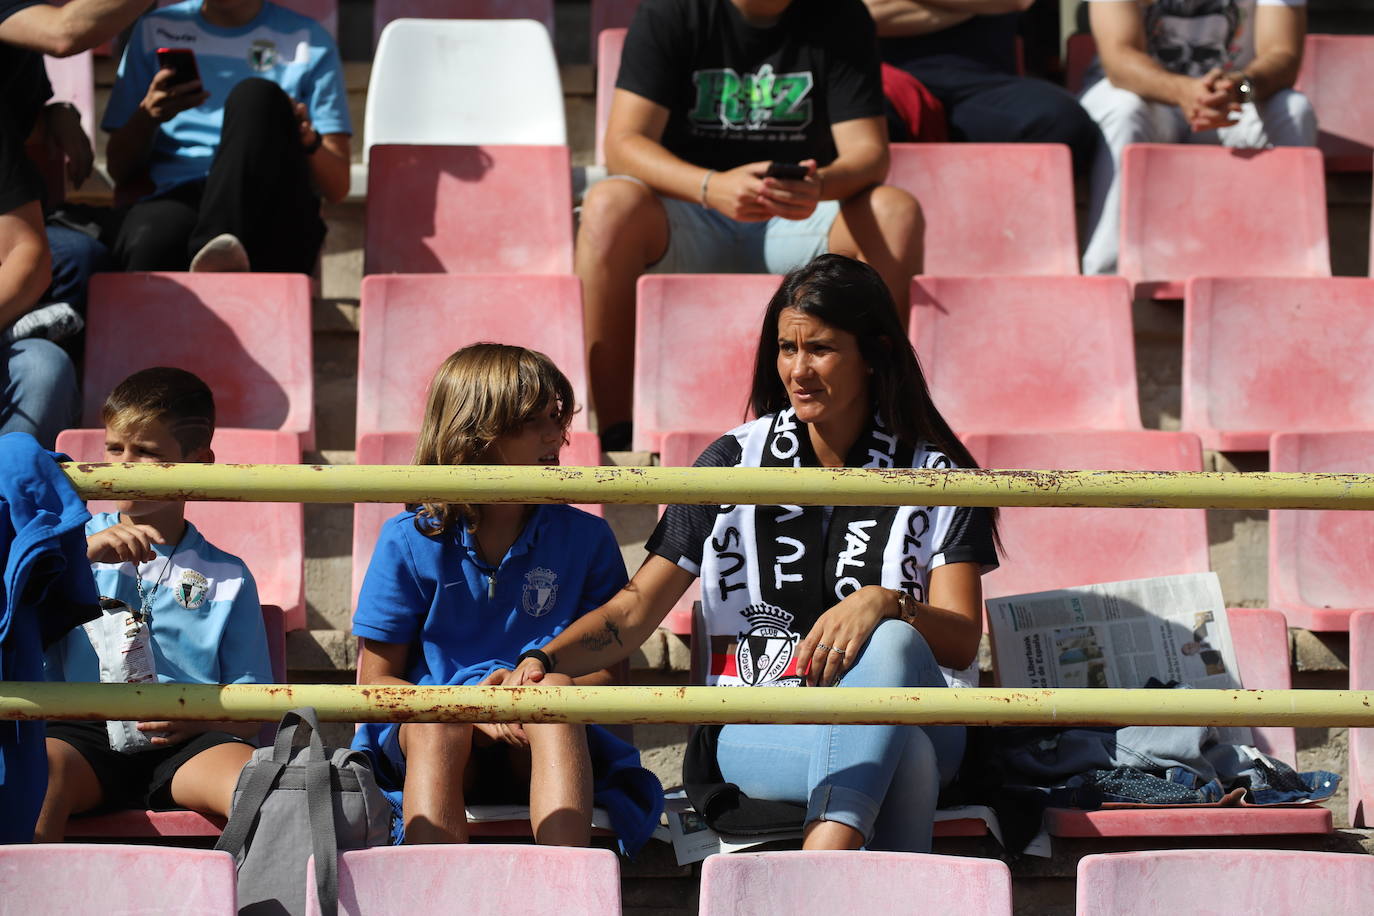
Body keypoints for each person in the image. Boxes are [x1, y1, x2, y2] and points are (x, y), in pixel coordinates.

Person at [513, 254, 999, 853]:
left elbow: (956, 638)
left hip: (924, 715)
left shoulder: (940, 472)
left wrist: (886, 604)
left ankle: (817, 875)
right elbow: (634, 612)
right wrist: (542, 655)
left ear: (873, 353)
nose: (799, 370)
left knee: (897, 649)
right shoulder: (731, 461)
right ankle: (830, 877)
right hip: (763, 727)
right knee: (909, 761)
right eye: (786, 349)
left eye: (820, 349)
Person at [351, 344, 662, 850]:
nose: (555, 437)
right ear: (474, 435)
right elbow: (376, 684)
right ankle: (433, 893)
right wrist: (473, 706)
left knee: (552, 695)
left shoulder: (587, 538)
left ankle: (567, 898)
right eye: (532, 422)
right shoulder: (407, 539)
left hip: (543, 740)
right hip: (436, 743)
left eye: (557, 419)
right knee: (437, 719)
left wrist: (528, 689)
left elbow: (608, 676)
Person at [580, 0, 924, 451]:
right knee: (608, 205)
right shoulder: (670, 12)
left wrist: (818, 185)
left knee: (894, 212)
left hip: (798, 217)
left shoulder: (841, 14)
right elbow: (623, 144)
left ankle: (878, 424)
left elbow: (869, 154)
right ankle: (616, 436)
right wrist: (710, 186)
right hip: (687, 211)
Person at [36, 367, 272, 841]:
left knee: (264, 787)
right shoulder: (64, 547)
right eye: (114, 449)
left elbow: (254, 704)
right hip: (81, 734)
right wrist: (81, 556)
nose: (124, 466)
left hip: (188, 741)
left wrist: (195, 717)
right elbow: (20, 621)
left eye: (145, 453)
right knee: (39, 779)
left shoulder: (229, 575)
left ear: (198, 464)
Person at [102, 0, 352, 272]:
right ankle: (215, 253)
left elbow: (337, 187)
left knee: (256, 96)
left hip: (271, 207)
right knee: (151, 240)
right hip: (178, 196)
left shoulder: (309, 41)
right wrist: (148, 117)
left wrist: (307, 138)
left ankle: (216, 249)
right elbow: (120, 169)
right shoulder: (156, 29)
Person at [1080, 0, 1315, 275]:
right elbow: (1119, 58)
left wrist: (1236, 89)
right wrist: (1184, 92)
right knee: (1123, 111)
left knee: (1294, 110)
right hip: (1145, 96)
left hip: (1234, 99)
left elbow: (1283, 55)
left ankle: (1292, 275)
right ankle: (1106, 275)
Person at [865, 0, 1101, 175]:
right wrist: (975, 6)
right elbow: (863, 13)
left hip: (986, 87)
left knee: (1060, 119)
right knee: (863, 124)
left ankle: (1008, 232)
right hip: (889, 84)